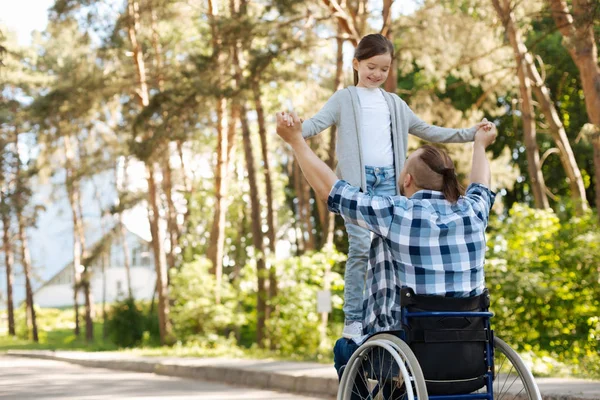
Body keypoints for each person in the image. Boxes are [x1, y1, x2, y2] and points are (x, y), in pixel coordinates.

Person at [285, 33, 489, 338]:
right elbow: (315, 125)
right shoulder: (344, 99)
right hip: (358, 181)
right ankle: (354, 318)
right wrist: (296, 128)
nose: (377, 74)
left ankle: (395, 312)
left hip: (389, 182)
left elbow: (429, 130)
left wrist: (471, 134)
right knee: (360, 247)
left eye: (384, 68)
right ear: (356, 64)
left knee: (391, 247)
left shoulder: (394, 103)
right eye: (371, 66)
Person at [275, 111, 497, 377]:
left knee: (344, 351)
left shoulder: (397, 214)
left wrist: (297, 141)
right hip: (468, 361)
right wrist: (480, 145)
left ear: (407, 180)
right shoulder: (473, 212)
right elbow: (481, 184)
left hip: (408, 359)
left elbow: (332, 191)